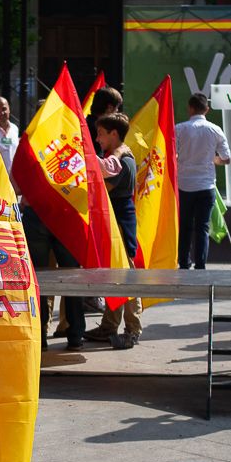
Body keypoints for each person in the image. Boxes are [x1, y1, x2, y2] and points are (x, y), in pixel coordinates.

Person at [84, 114, 142, 349]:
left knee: (127, 278)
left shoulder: (123, 162)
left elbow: (100, 190)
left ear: (114, 134)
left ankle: (133, 329)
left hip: (120, 226)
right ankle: (109, 325)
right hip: (114, 226)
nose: (97, 139)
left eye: (100, 134)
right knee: (114, 278)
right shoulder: (115, 157)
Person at [174, 92, 230, 270]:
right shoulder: (215, 130)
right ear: (207, 109)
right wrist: (214, 160)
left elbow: (171, 155)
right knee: (202, 228)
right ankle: (201, 265)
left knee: (185, 227)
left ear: (190, 108)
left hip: (184, 185)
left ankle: (184, 263)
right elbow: (226, 158)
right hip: (206, 186)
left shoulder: (179, 128)